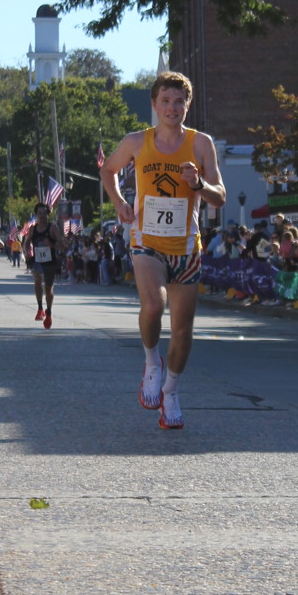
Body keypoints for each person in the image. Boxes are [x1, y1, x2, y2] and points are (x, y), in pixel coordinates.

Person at [100, 70, 225, 430]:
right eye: (166, 101)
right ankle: (151, 362)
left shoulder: (201, 144)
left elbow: (220, 196)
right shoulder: (137, 142)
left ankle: (170, 392)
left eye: (179, 102)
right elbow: (108, 171)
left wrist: (198, 184)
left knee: (183, 332)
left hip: (186, 246)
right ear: (154, 104)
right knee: (154, 305)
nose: (172, 108)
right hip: (147, 241)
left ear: (188, 105)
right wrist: (120, 204)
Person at [23, 204, 62, 327]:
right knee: (37, 280)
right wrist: (27, 252)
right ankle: (40, 308)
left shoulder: (53, 228)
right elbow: (26, 242)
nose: (42, 216)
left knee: (49, 289)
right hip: (37, 260)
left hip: (50, 262)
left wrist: (51, 244)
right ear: (36, 215)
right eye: (40, 213)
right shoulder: (33, 229)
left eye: (44, 213)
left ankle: (48, 312)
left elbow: (62, 245)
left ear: (48, 214)